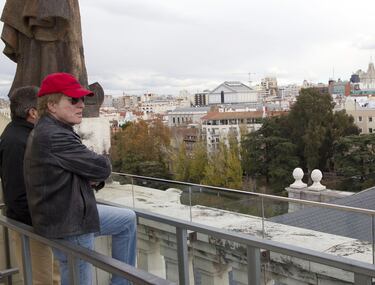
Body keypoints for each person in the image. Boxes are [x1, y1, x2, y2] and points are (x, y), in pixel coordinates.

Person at [24, 73, 137, 285]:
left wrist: (86, 173)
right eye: (73, 99)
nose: (81, 105)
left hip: (65, 214)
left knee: (127, 220)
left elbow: (83, 170)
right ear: (51, 105)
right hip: (70, 224)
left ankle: (122, 282)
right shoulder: (54, 135)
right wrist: (92, 172)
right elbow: (102, 167)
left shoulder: (51, 129)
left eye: (82, 99)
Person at [0, 86, 60, 284]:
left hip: (35, 224)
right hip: (32, 227)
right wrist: (41, 224)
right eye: (45, 107)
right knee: (43, 280)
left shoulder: (18, 135)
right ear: (32, 112)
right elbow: (17, 194)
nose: (50, 112)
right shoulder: (18, 141)